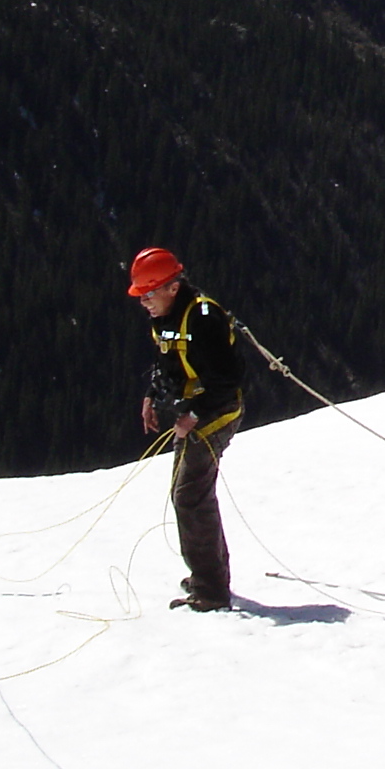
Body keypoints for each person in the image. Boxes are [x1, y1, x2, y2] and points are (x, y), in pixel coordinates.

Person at [127, 246, 243, 612]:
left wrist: (193, 413)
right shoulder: (165, 317)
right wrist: (151, 395)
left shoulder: (203, 317)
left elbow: (227, 378)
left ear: (171, 288)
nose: (144, 302)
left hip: (217, 412)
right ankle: (207, 576)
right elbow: (168, 362)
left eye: (148, 293)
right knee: (189, 493)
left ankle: (210, 589)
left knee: (190, 496)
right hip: (196, 412)